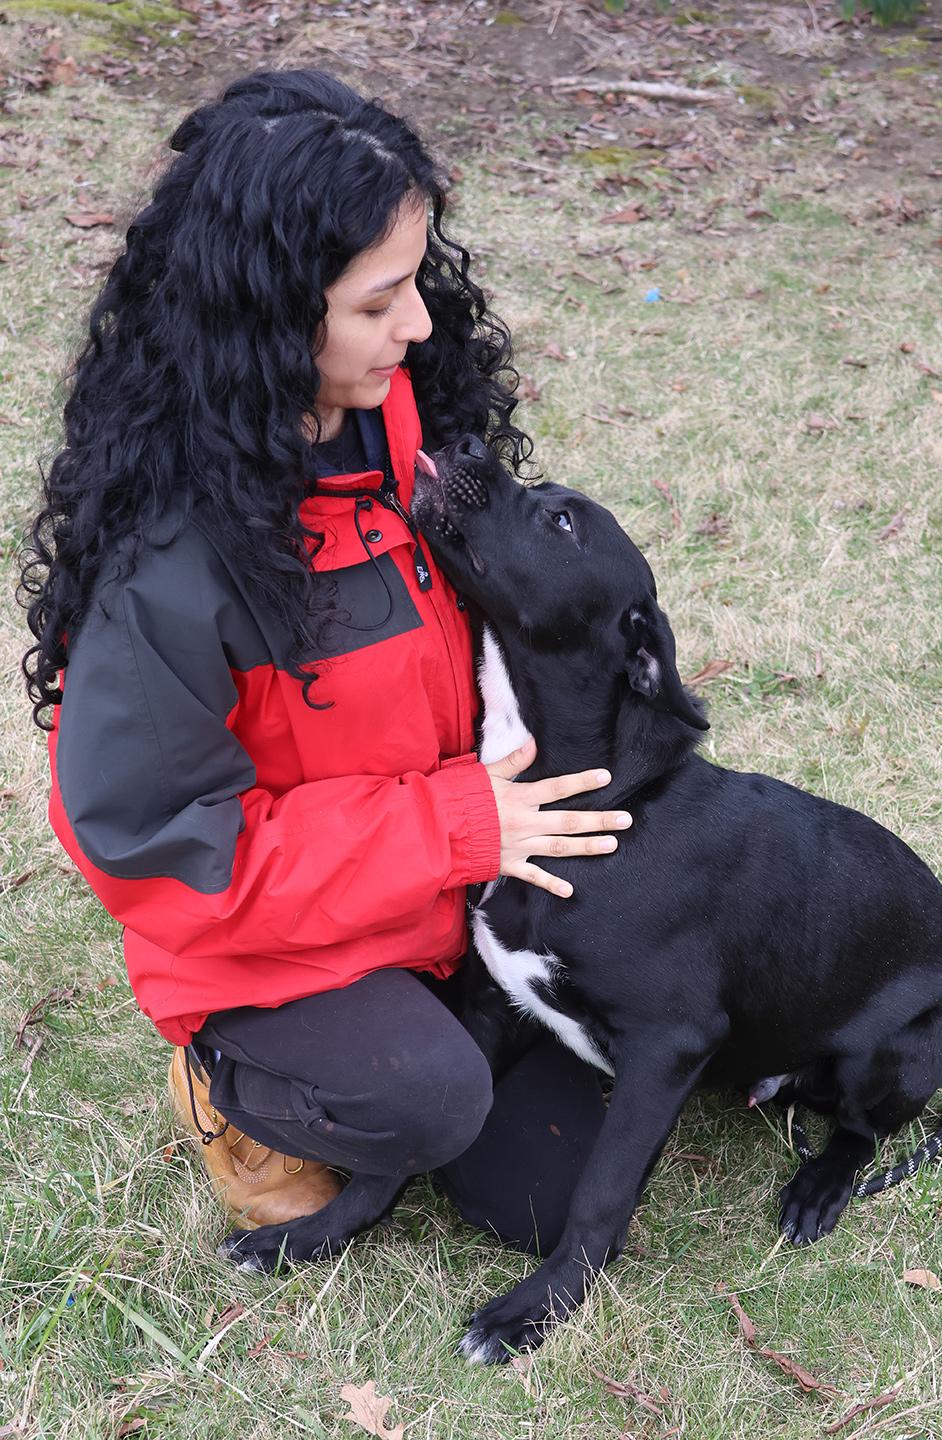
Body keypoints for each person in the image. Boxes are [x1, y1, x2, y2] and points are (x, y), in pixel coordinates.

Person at [18, 69, 632, 1256]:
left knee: (548, 1199)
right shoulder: (169, 570)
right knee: (425, 1102)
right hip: (266, 947)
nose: (419, 326)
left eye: (418, 281)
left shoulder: (407, 431)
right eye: (380, 300)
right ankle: (230, 1085)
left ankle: (447, 1014)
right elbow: (164, 856)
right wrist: (456, 824)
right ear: (270, 319)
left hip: (456, 898)